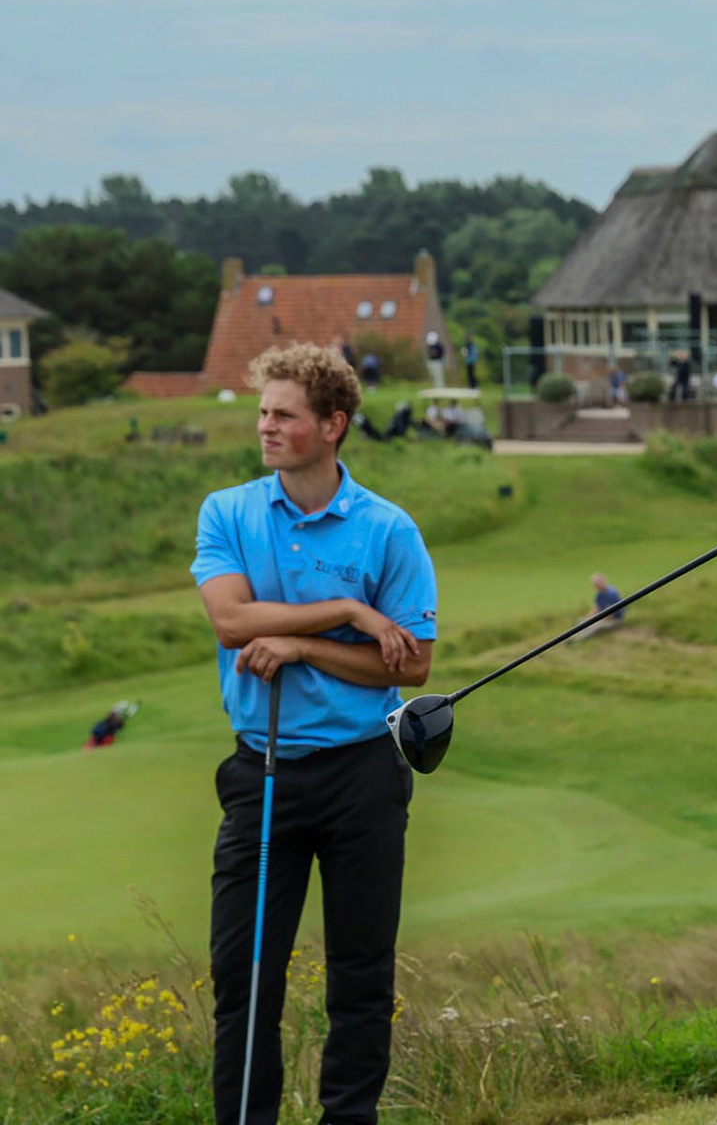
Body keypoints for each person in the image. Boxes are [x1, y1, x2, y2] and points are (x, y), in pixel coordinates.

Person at [191, 341, 438, 1125]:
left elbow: (411, 665)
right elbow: (231, 619)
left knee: (361, 973)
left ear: (332, 426)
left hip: (362, 774)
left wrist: (300, 644)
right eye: (263, 412)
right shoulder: (228, 511)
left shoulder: (388, 530)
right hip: (262, 772)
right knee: (244, 972)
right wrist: (346, 614)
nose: (265, 427)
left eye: (283, 415)